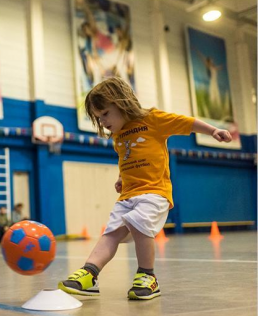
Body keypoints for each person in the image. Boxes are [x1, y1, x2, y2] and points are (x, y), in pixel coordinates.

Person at [58, 77, 232, 300]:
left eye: (105, 113)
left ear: (121, 104)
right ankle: (89, 273)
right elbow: (126, 157)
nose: (102, 121)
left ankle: (147, 277)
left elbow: (186, 122)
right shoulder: (118, 135)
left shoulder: (152, 118)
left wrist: (213, 130)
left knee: (140, 223)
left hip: (155, 192)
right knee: (110, 233)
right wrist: (121, 177)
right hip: (128, 194)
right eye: (98, 117)